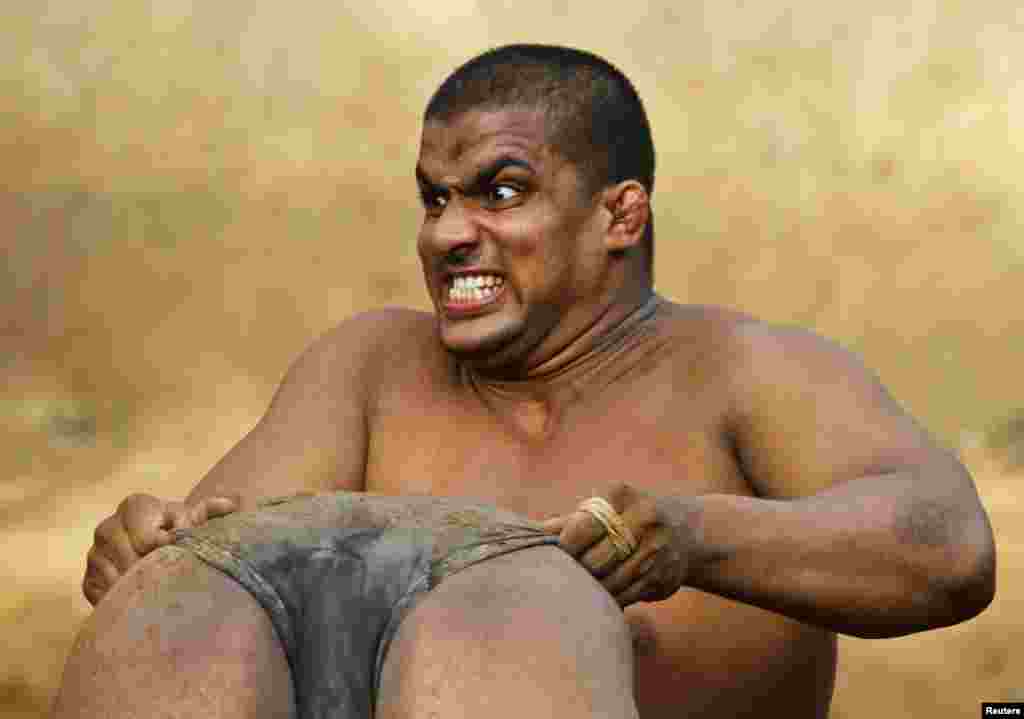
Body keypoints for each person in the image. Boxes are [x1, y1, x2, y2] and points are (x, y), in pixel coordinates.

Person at [71, 44, 995, 718]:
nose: (446, 233)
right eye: (435, 198)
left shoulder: (746, 372)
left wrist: (695, 535)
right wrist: (148, 553)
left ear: (619, 216)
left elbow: (950, 552)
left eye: (498, 191)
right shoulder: (369, 368)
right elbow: (214, 579)